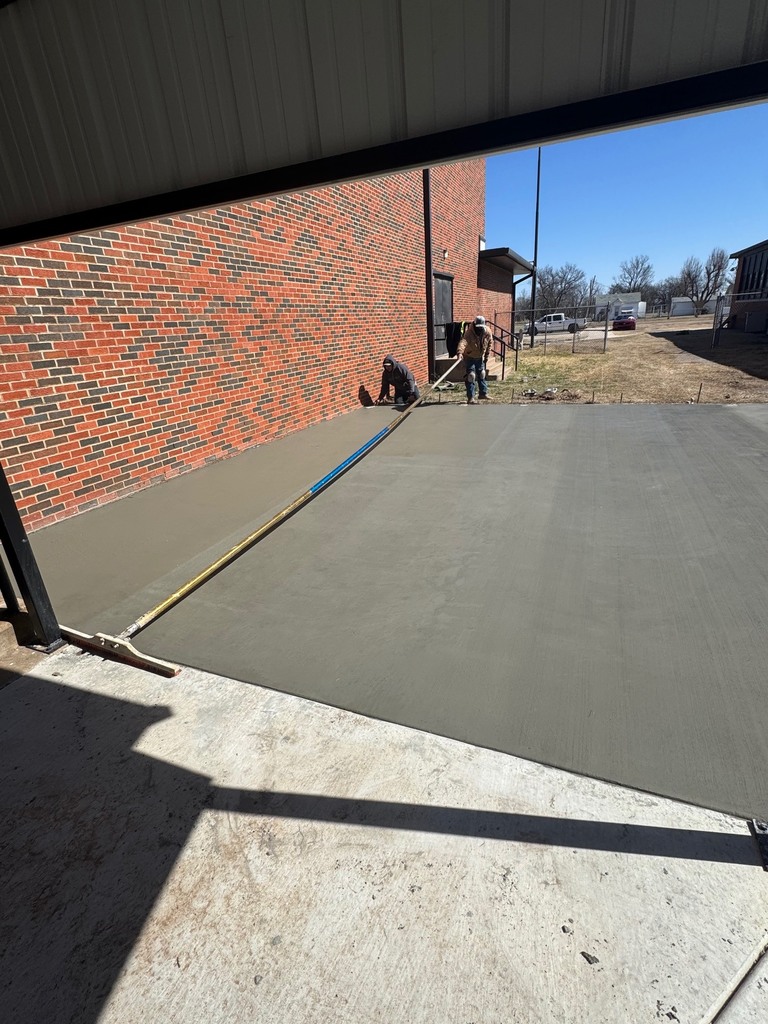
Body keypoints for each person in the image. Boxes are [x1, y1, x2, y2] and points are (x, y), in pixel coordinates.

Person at [456, 315, 492, 403]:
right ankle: (471, 397)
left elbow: (490, 343)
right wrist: (459, 353)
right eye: (478, 327)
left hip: (479, 357)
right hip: (469, 357)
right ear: (475, 325)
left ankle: (483, 393)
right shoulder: (469, 333)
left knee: (482, 374)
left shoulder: (487, 331)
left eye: (481, 327)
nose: (479, 329)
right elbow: (463, 342)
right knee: (471, 376)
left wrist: (487, 356)